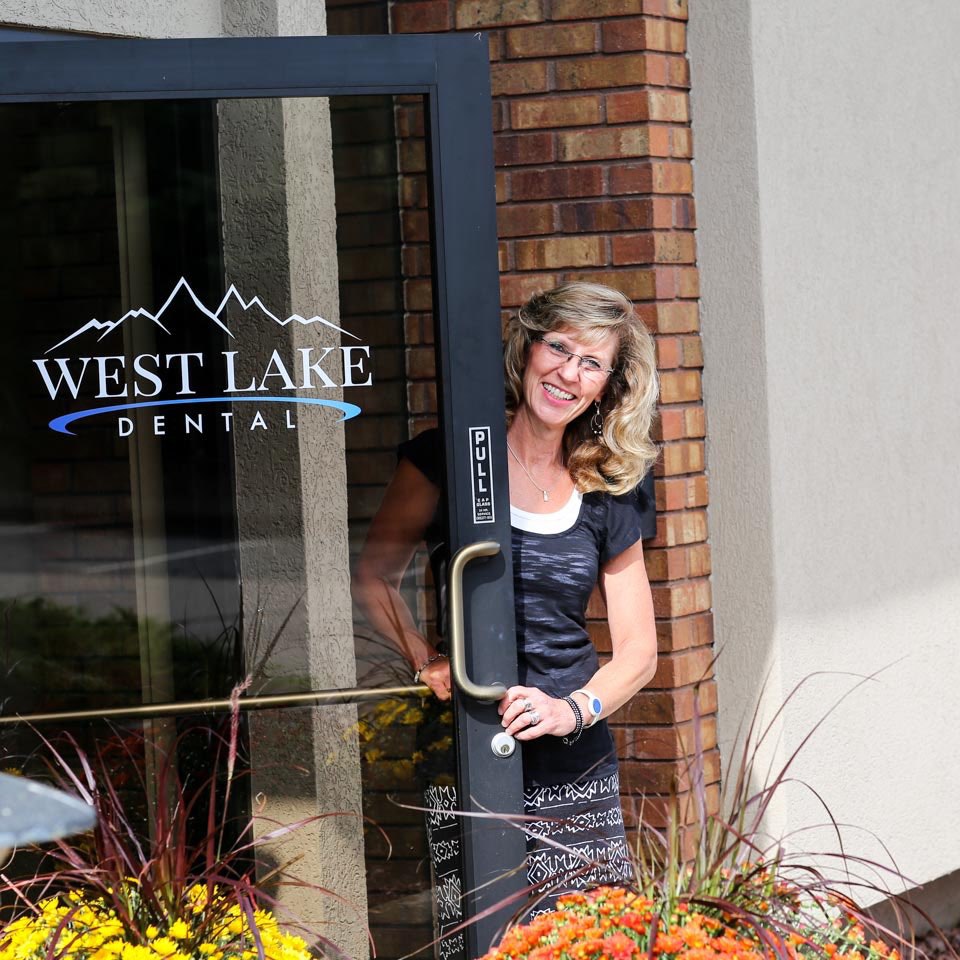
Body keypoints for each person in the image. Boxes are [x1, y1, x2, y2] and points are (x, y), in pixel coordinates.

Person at [352, 281, 659, 910]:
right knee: (475, 934)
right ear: (527, 348)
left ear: (607, 387)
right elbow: (373, 577)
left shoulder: (608, 485)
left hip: (574, 766)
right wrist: (424, 658)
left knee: (585, 941)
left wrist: (570, 710)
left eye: (592, 363)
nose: (568, 373)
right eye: (559, 347)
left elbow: (639, 651)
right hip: (464, 749)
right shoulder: (447, 459)